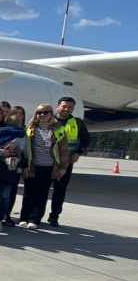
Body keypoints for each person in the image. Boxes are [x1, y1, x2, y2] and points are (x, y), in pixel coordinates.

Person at [19, 104, 69, 229]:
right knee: (28, 193)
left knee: (42, 193)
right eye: (39, 112)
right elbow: (24, 148)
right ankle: (24, 217)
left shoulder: (58, 128)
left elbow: (63, 149)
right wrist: (25, 165)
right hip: (32, 165)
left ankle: (35, 219)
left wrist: (63, 167)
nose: (42, 115)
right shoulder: (30, 127)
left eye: (45, 112)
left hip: (49, 166)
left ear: (51, 114)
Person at [49, 97, 90, 227]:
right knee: (42, 190)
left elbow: (86, 139)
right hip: (47, 161)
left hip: (65, 163)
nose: (67, 109)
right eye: (64, 106)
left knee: (60, 190)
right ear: (57, 107)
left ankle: (54, 216)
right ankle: (35, 216)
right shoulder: (48, 119)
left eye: (70, 107)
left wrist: (78, 153)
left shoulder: (76, 122)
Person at [4, 106, 26, 226]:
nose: (18, 115)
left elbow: (26, 148)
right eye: (15, 113)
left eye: (21, 114)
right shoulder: (5, 129)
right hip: (3, 163)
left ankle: (7, 214)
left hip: (17, 165)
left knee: (12, 191)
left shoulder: (25, 130)